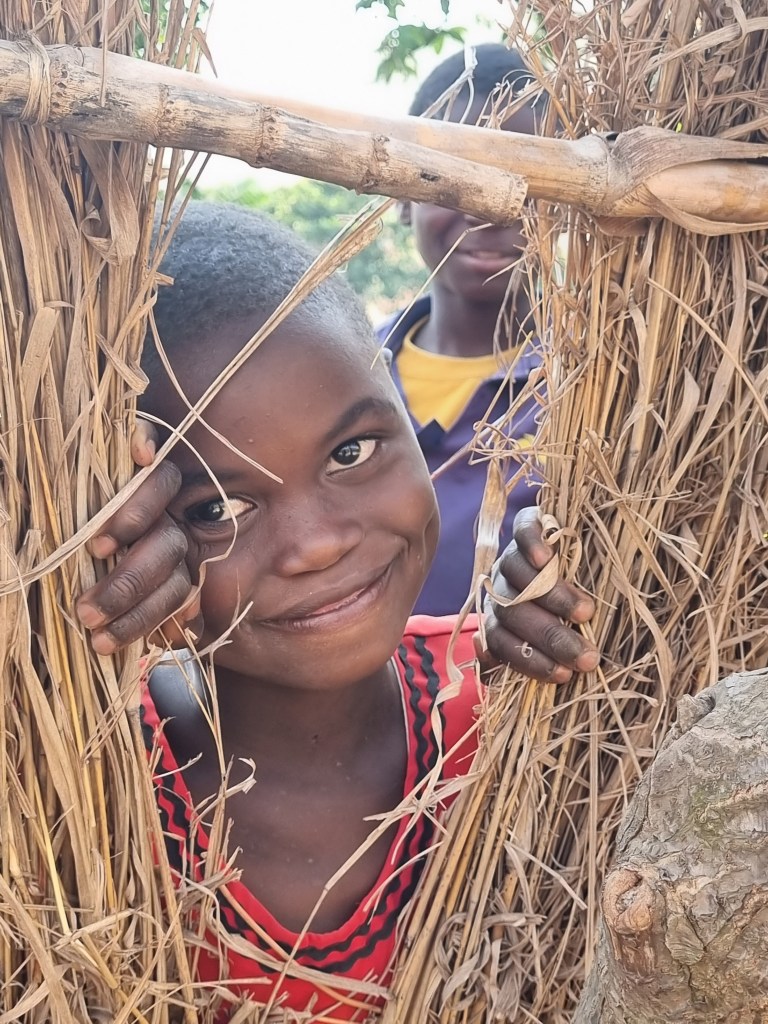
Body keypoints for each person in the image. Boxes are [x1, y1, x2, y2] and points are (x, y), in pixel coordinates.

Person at [76, 203, 597, 1021]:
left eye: (350, 453)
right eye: (218, 508)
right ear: (128, 528)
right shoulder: (86, 785)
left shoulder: (506, 703)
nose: (314, 546)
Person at [378, 43, 544, 616]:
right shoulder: (344, 370)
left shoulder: (601, 388)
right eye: (456, 174)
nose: (490, 207)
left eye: (523, 177)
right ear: (403, 197)